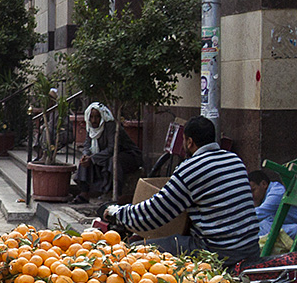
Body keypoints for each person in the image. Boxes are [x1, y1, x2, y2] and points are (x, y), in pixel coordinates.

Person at [104, 116, 259, 267]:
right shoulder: (235, 160)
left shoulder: (191, 169)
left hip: (217, 252)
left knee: (138, 251)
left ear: (189, 142)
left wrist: (117, 213)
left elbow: (155, 213)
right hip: (251, 248)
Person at [72, 102, 143, 203]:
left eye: (97, 117)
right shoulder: (91, 127)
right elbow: (87, 145)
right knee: (84, 161)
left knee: (112, 161)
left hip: (127, 155)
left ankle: (114, 193)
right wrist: (86, 155)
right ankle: (84, 193)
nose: (94, 120)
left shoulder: (110, 126)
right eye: (91, 117)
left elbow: (111, 149)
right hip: (105, 154)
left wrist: (92, 159)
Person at [249, 169, 297, 239]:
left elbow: (260, 213)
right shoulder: (263, 197)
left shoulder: (277, 192)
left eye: (253, 190)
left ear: (264, 184)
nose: (252, 195)